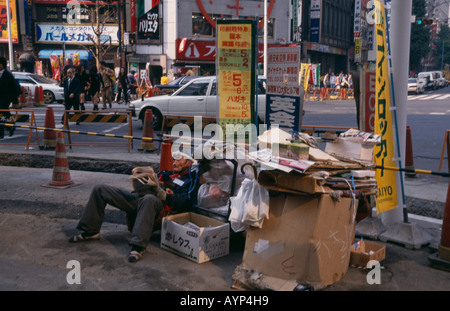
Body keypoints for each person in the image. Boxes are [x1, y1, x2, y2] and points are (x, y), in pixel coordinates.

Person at [68, 151, 200, 263]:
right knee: (100, 189)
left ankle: (138, 246)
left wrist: (165, 195)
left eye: (178, 160)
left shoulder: (192, 179)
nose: (174, 163)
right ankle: (91, 231)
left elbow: (186, 201)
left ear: (188, 162)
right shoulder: (168, 174)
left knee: (149, 199)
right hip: (141, 199)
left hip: (160, 207)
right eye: (173, 160)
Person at [0, 56, 18, 138]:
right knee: (5, 113)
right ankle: (10, 126)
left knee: (1, 112)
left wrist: (15, 101)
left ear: (2, 65)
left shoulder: (8, 75)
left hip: (5, 98)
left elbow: (13, 89)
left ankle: (1, 133)